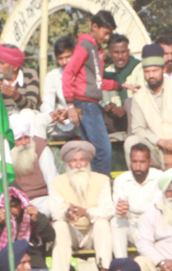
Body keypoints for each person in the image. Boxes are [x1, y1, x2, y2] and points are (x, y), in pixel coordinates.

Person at [61, 10, 119, 177]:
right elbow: (68, 73)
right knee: (103, 149)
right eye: (105, 33)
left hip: (89, 104)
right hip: (86, 104)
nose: (107, 37)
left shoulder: (95, 49)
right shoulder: (85, 46)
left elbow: (97, 82)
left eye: (110, 34)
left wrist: (121, 85)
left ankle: (90, 185)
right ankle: (102, 186)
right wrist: (70, 105)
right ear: (95, 27)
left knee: (90, 151)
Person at [49, 140, 115, 271]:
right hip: (71, 233)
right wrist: (67, 212)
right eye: (74, 161)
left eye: (82, 160)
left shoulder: (102, 180)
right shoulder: (57, 182)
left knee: (102, 223)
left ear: (88, 161)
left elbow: (108, 211)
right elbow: (55, 212)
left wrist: (86, 212)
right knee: (59, 224)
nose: (79, 165)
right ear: (68, 163)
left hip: (92, 233)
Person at [125, 44, 172, 171]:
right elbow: (138, 129)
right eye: (147, 72)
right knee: (131, 142)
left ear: (164, 69)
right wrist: (160, 142)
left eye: (155, 71)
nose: (151, 75)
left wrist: (171, 150)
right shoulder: (139, 95)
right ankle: (137, 182)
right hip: (155, 147)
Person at [0, 114, 57, 225]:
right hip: (11, 205)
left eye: (26, 138)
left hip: (37, 201)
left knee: (50, 203)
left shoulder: (40, 148)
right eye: (19, 139)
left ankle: (25, 226)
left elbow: (53, 180)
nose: (24, 143)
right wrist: (2, 209)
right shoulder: (0, 153)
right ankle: (8, 229)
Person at [0, 187, 55, 271]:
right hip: (9, 269)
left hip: (34, 267)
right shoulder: (0, 221)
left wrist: (38, 219)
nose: (11, 210)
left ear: (21, 204)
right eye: (7, 206)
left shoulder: (32, 217)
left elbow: (50, 236)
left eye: (14, 206)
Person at [111, 143, 163, 258]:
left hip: (152, 227)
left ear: (150, 162)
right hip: (130, 224)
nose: (138, 166)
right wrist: (121, 209)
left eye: (142, 162)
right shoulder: (121, 180)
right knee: (116, 221)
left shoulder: (160, 178)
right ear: (130, 162)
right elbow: (117, 209)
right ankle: (121, 263)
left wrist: (129, 207)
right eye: (134, 162)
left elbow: (157, 208)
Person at [41, 37, 80, 141]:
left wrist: (70, 112)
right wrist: (53, 114)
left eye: (68, 57)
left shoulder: (83, 73)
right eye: (60, 58)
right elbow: (46, 103)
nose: (64, 62)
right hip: (60, 123)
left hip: (81, 121)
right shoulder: (52, 76)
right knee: (39, 119)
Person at [101, 33, 140, 137]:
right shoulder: (106, 72)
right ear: (110, 53)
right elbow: (104, 99)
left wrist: (124, 108)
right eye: (116, 52)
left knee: (129, 103)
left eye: (123, 52)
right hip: (114, 121)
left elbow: (142, 98)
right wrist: (110, 107)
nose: (120, 57)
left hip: (135, 118)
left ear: (128, 52)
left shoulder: (139, 68)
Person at [0, 43, 40, 122]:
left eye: (1, 63)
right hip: (3, 120)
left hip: (25, 120)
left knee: (27, 113)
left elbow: (32, 107)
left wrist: (16, 96)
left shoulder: (29, 75)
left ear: (14, 67)